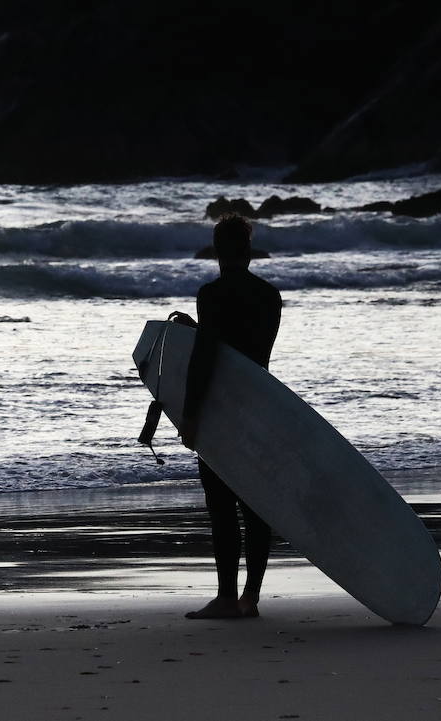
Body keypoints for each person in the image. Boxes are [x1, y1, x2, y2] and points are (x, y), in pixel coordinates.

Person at [180, 214, 282, 619]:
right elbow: (250, 352)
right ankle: (250, 598)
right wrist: (200, 328)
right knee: (256, 506)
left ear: (218, 250)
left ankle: (225, 597)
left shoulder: (212, 293)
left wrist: (190, 416)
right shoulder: (270, 295)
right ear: (249, 250)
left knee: (221, 506)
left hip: (222, 410)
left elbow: (207, 358)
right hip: (261, 405)